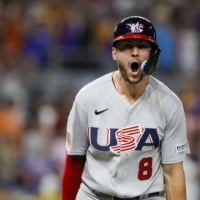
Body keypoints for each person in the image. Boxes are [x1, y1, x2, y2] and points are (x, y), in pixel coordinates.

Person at [61, 16, 190, 200]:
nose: (135, 52)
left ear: (153, 54)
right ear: (114, 53)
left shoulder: (169, 104)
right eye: (127, 46)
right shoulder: (88, 97)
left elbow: (173, 172)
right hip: (95, 195)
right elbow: (74, 161)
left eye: (143, 46)